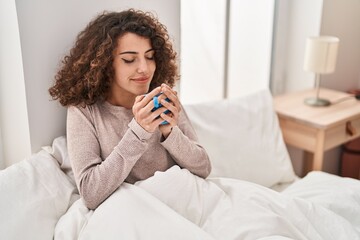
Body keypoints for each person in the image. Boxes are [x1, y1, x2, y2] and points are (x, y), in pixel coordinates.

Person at [48, 9, 211, 210]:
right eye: (129, 59)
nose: (144, 68)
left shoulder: (161, 97)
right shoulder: (84, 111)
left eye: (150, 56)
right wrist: (138, 132)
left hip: (180, 204)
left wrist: (170, 132)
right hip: (131, 212)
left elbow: (203, 167)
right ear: (106, 65)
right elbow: (90, 193)